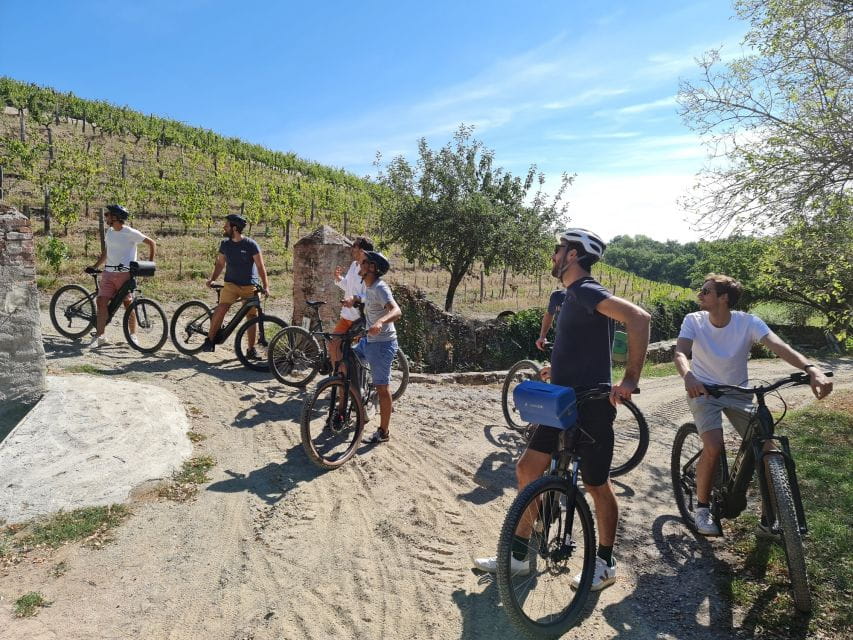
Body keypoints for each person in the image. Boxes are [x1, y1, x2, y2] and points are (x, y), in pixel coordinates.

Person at [474, 228, 651, 592]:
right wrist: (558, 369)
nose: (554, 255)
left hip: (591, 403)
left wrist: (630, 379)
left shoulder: (586, 289)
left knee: (596, 484)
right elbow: (582, 344)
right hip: (561, 398)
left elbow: (639, 318)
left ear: (573, 255)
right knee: (527, 468)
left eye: (559, 249)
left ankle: (605, 562)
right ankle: (520, 557)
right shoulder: (569, 296)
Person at [673, 274, 832, 536]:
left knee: (768, 448)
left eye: (706, 291)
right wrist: (688, 375)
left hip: (739, 393)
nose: (699, 295)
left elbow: (779, 346)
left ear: (724, 298)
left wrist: (811, 368)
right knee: (713, 446)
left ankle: (772, 519)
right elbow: (680, 352)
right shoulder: (694, 320)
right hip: (703, 390)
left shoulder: (747, 322)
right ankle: (702, 509)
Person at [342, 251, 402, 444]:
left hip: (383, 344)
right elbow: (367, 300)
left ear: (373, 268)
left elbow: (396, 310)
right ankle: (358, 395)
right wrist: (354, 300)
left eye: (364, 262)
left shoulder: (380, 287)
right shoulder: (368, 287)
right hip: (369, 341)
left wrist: (380, 322)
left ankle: (383, 432)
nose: (360, 264)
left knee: (382, 388)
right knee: (347, 359)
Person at [87, 204, 156, 348]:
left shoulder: (130, 232)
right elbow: (106, 252)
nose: (106, 217)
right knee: (101, 302)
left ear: (116, 218)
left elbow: (152, 243)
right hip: (108, 273)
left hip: (125, 274)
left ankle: (133, 335)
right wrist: (95, 266)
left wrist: (149, 263)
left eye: (108, 215)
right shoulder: (110, 232)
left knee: (128, 304)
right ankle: (100, 336)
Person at [202, 213, 270, 357]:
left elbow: (260, 266)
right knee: (221, 309)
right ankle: (209, 340)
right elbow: (220, 263)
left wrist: (266, 286)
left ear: (234, 228)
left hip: (249, 286)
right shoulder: (225, 244)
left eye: (226, 225)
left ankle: (251, 350)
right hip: (231, 285)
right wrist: (212, 279)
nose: (224, 227)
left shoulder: (251, 245)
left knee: (252, 317)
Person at [331, 236, 372, 369]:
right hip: (347, 315)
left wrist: (355, 298)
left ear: (362, 251)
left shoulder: (370, 270)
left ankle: (354, 382)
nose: (352, 250)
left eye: (354, 247)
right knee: (334, 344)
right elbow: (348, 285)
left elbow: (370, 295)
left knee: (355, 353)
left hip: (359, 319)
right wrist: (338, 279)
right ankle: (338, 376)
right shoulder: (354, 266)